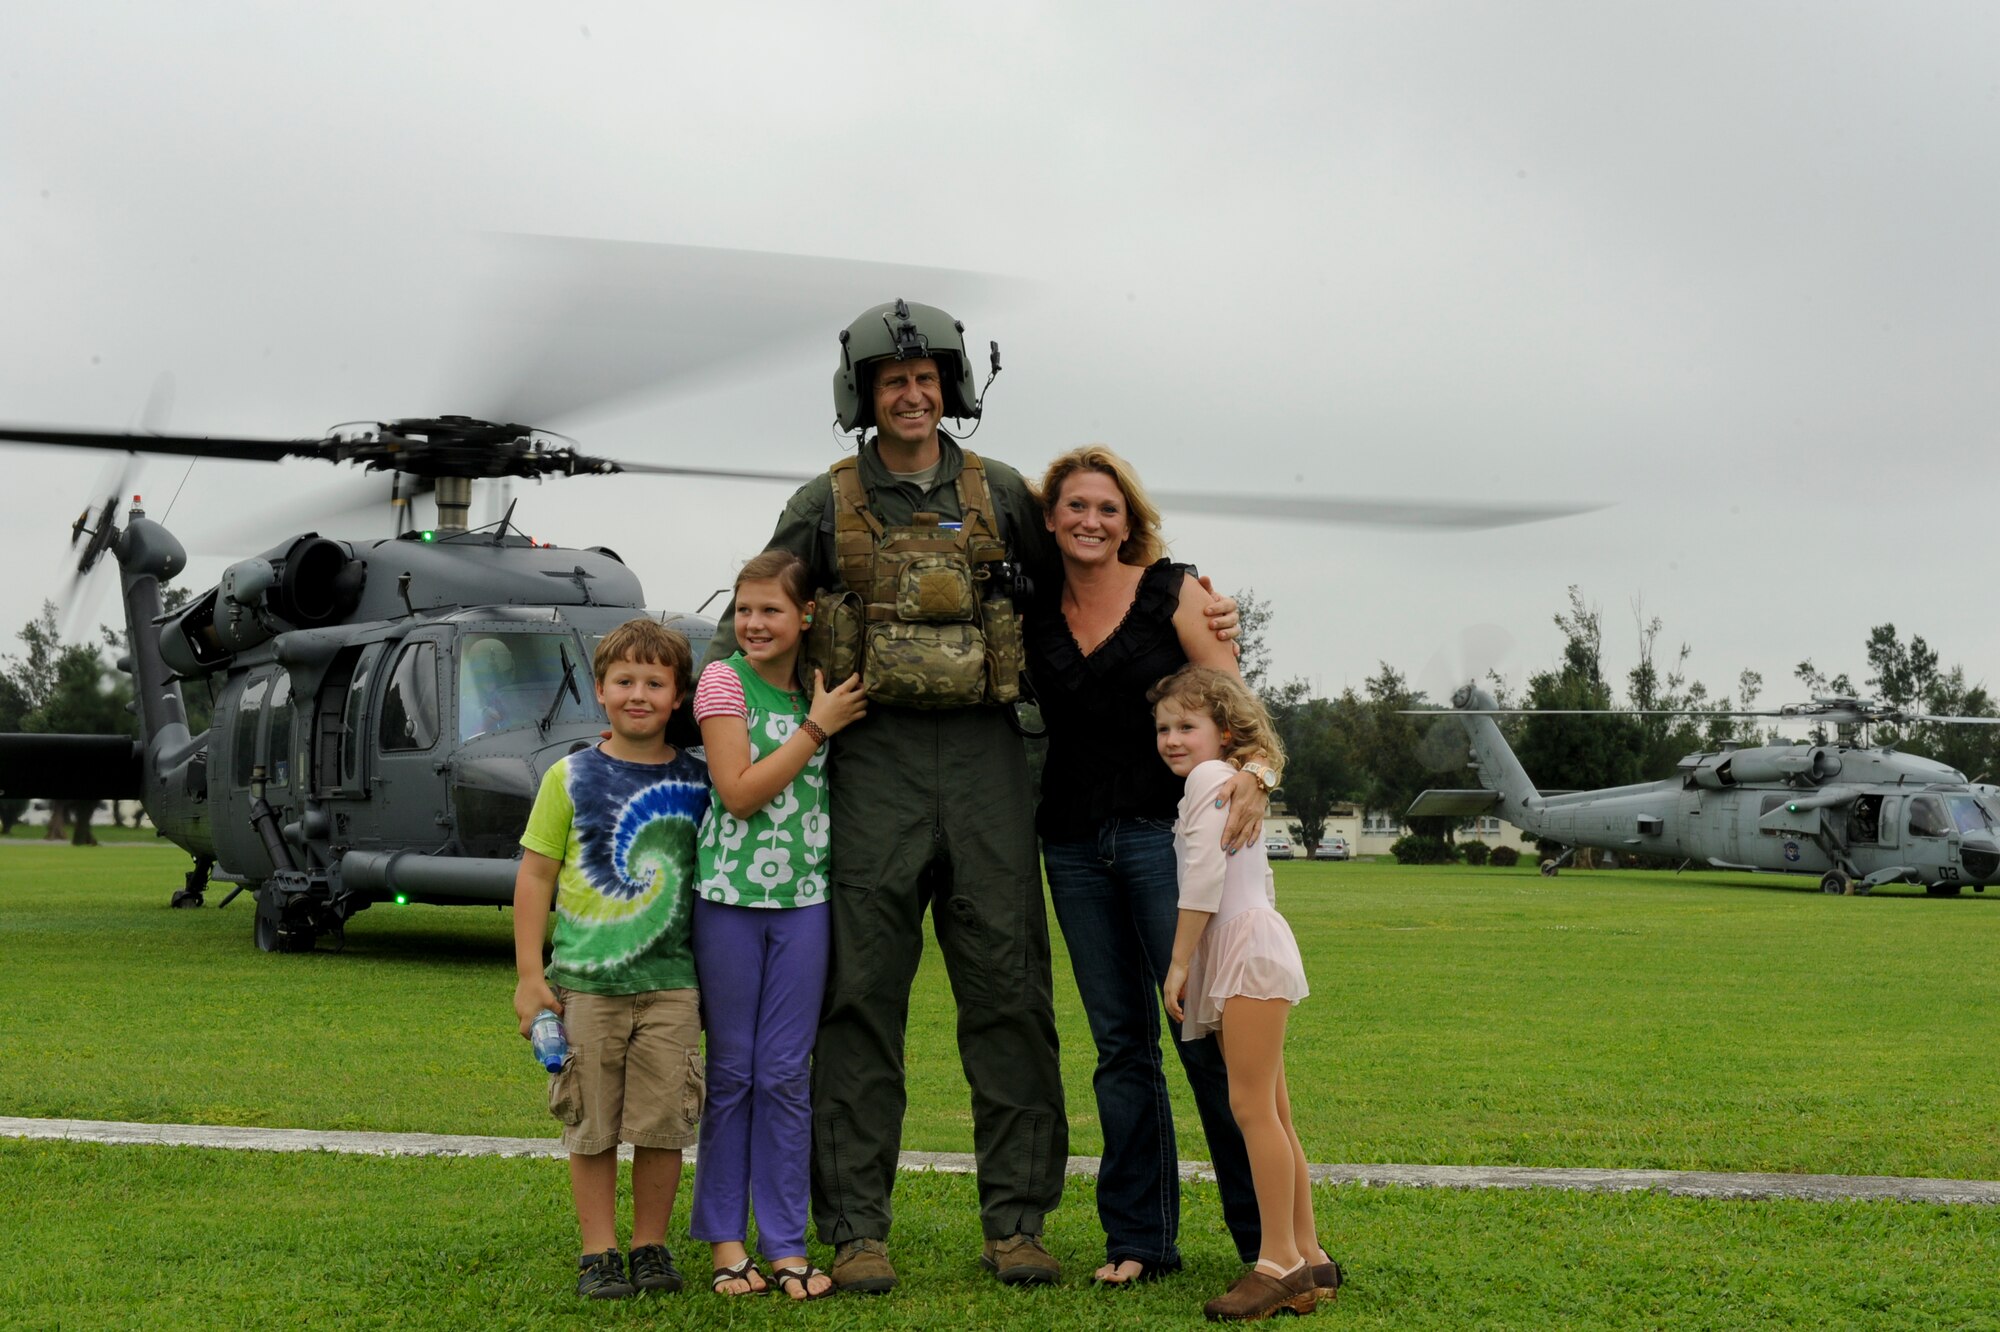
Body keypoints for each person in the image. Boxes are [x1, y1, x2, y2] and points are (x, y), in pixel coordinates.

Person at [702, 299, 1242, 1293]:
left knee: (1008, 993)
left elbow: (1092, 577)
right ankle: (857, 1227)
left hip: (993, 765)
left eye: (925, 380)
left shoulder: (998, 494)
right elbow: (760, 609)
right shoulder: (822, 504)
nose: (911, 396)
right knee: (859, 999)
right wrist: (721, 712)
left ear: (950, 388)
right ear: (862, 397)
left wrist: (1187, 595)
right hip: (872, 766)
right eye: (890, 384)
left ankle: (1016, 1222)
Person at [1028, 445, 1275, 1286]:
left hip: (1167, 841)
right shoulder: (1031, 605)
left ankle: (1266, 1242)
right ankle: (1140, 1239)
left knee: (1202, 1037)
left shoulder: (1176, 592)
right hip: (1069, 844)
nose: (1090, 521)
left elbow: (1239, 712)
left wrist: (1261, 776)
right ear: (1052, 519)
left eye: (1106, 508)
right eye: (1074, 507)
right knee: (1119, 1048)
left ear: (1128, 519)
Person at [511, 619, 711, 1301]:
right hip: (586, 988)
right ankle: (599, 1252)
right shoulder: (568, 776)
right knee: (590, 1126)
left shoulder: (699, 780)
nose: (638, 694)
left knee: (663, 1125)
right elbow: (536, 876)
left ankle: (651, 1245)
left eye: (655, 682)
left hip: (673, 985)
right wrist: (531, 978)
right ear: (599, 690)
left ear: (678, 696)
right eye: (624, 680)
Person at [689, 550, 868, 1300]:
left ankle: (787, 1245)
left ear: (806, 618)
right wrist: (817, 731)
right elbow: (736, 793)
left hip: (804, 907)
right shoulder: (723, 680)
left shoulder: (814, 693)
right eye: (743, 610)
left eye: (769, 610)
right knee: (732, 1073)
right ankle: (728, 1244)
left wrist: (818, 715)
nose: (753, 624)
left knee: (787, 1075)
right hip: (729, 901)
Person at [1154, 665, 1340, 1321]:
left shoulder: (1210, 779)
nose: (1173, 739)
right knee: (1274, 1112)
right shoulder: (1229, 781)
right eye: (1163, 728)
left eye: (1187, 726)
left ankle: (1279, 1262)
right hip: (1248, 948)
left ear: (1224, 732)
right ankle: (1309, 1254)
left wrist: (1178, 965)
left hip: (1243, 953)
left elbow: (1204, 876)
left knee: (1253, 1110)